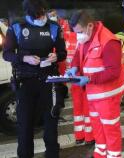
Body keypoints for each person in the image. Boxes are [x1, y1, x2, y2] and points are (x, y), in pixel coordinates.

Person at [3, 0, 67, 157]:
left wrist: (56, 56)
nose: (41, 17)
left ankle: (52, 154)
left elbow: (62, 52)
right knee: (25, 126)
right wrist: (25, 59)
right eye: (38, 15)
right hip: (25, 82)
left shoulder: (54, 26)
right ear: (29, 14)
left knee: (51, 124)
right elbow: (7, 53)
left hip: (49, 81)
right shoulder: (17, 27)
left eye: (43, 13)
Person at [67, 10, 124, 158]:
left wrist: (89, 79)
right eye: (76, 33)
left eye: (79, 32)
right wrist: (74, 67)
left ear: (90, 26)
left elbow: (113, 72)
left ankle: (113, 155)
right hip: (93, 93)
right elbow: (79, 55)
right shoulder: (86, 38)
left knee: (110, 128)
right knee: (97, 126)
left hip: (108, 94)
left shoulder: (109, 41)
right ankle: (100, 153)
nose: (78, 36)